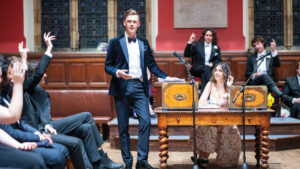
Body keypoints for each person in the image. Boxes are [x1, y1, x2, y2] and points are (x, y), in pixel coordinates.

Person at [105, 9, 176, 169]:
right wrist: (117, 72)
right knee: (123, 127)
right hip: (121, 87)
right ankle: (128, 162)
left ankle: (142, 161)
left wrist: (166, 77)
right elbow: (107, 66)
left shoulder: (144, 43)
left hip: (139, 87)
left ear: (138, 24)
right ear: (124, 23)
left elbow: (152, 65)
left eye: (134, 21)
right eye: (129, 21)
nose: (131, 24)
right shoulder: (115, 42)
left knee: (145, 122)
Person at [24, 60, 124, 169]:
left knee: (86, 128)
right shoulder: (29, 88)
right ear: (35, 75)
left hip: (49, 126)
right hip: (43, 129)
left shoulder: (37, 90)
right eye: (43, 73)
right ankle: (102, 158)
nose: (46, 75)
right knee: (87, 116)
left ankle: (98, 164)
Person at [189, 62, 241, 168]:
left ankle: (203, 158)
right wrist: (210, 104)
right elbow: (201, 102)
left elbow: (232, 105)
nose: (217, 73)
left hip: (226, 120)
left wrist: (229, 87)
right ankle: (203, 158)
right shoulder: (210, 84)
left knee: (212, 127)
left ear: (225, 74)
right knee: (206, 126)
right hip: (212, 117)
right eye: (216, 70)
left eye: (220, 71)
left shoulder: (231, 87)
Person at [0, 60, 47, 169]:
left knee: (36, 158)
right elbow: (13, 116)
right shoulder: (11, 89)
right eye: (11, 72)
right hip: (21, 134)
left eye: (0, 77)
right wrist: (18, 84)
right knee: (36, 161)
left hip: (25, 133)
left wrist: (18, 145)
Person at [245, 35, 287, 100]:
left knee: (264, 76)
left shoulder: (270, 54)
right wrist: (254, 75)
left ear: (263, 43)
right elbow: (247, 73)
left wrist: (274, 51)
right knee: (263, 76)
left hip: (267, 82)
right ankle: (281, 95)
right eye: (254, 45)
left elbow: (277, 64)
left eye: (258, 44)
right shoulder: (251, 58)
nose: (256, 47)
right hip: (255, 82)